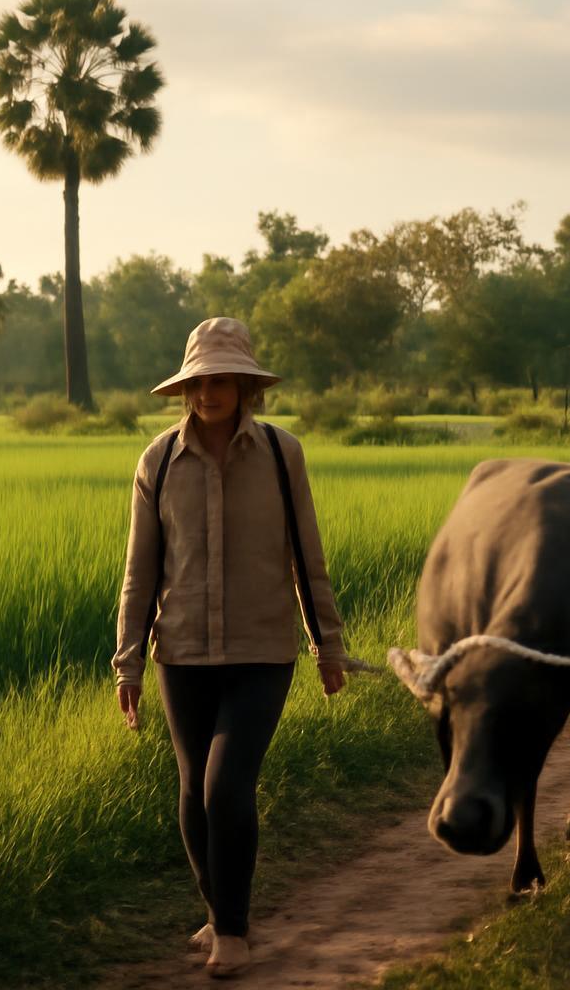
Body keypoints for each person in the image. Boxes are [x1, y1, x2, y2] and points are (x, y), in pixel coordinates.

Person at [112, 316, 352, 978]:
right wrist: (126, 662)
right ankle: (219, 912)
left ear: (247, 386)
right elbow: (141, 571)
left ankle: (234, 929)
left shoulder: (281, 454)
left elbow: (308, 556)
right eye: (199, 381)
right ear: (184, 388)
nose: (210, 392)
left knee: (226, 786)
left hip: (261, 650)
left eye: (223, 380)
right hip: (182, 651)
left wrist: (327, 646)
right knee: (192, 790)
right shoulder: (158, 461)